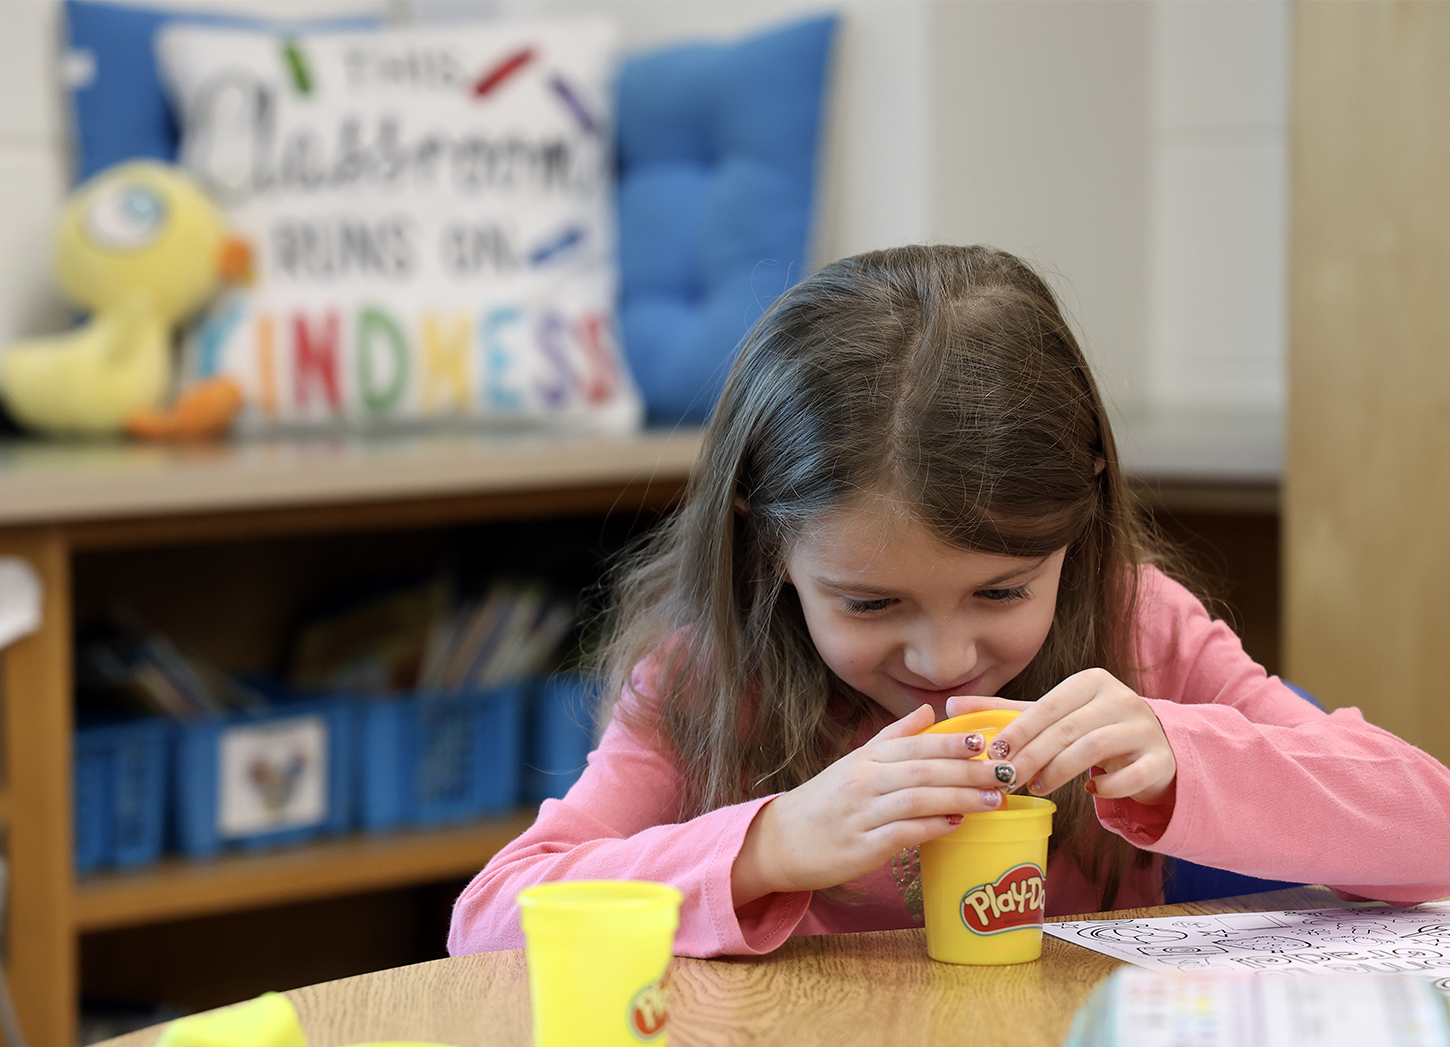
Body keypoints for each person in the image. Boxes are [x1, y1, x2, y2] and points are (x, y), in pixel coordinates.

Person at [448, 245, 1450, 958]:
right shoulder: (710, 678)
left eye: (1002, 590)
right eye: (871, 604)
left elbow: (1433, 833)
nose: (943, 658)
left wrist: (1179, 749)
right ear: (767, 545)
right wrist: (771, 844)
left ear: (1082, 515)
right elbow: (489, 919)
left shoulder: (1138, 624)